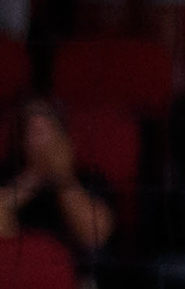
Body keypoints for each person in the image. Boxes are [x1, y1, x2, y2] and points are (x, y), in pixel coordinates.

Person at [0, 98, 118, 257]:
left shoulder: (91, 179)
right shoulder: (8, 178)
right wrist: (34, 176)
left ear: (65, 138)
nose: (43, 143)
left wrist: (62, 177)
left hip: (74, 267)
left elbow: (95, 237)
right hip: (20, 265)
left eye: (49, 130)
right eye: (34, 132)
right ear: (21, 141)